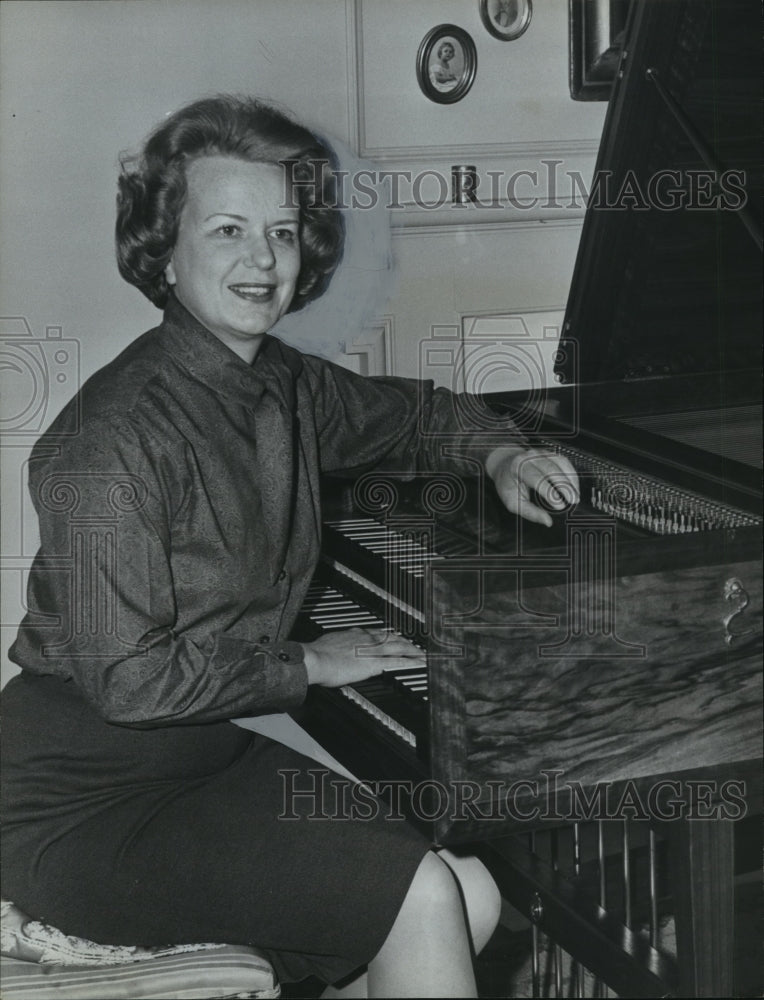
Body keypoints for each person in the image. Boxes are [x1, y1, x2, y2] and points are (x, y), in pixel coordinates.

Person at [1, 95, 578, 998]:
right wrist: (307, 662)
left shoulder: (280, 382)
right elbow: (131, 681)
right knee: (429, 896)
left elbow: (420, 414)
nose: (262, 261)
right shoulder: (110, 438)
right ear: (165, 246)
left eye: (283, 231)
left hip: (194, 764)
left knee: (469, 892)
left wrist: (498, 451)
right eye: (228, 229)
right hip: (80, 804)